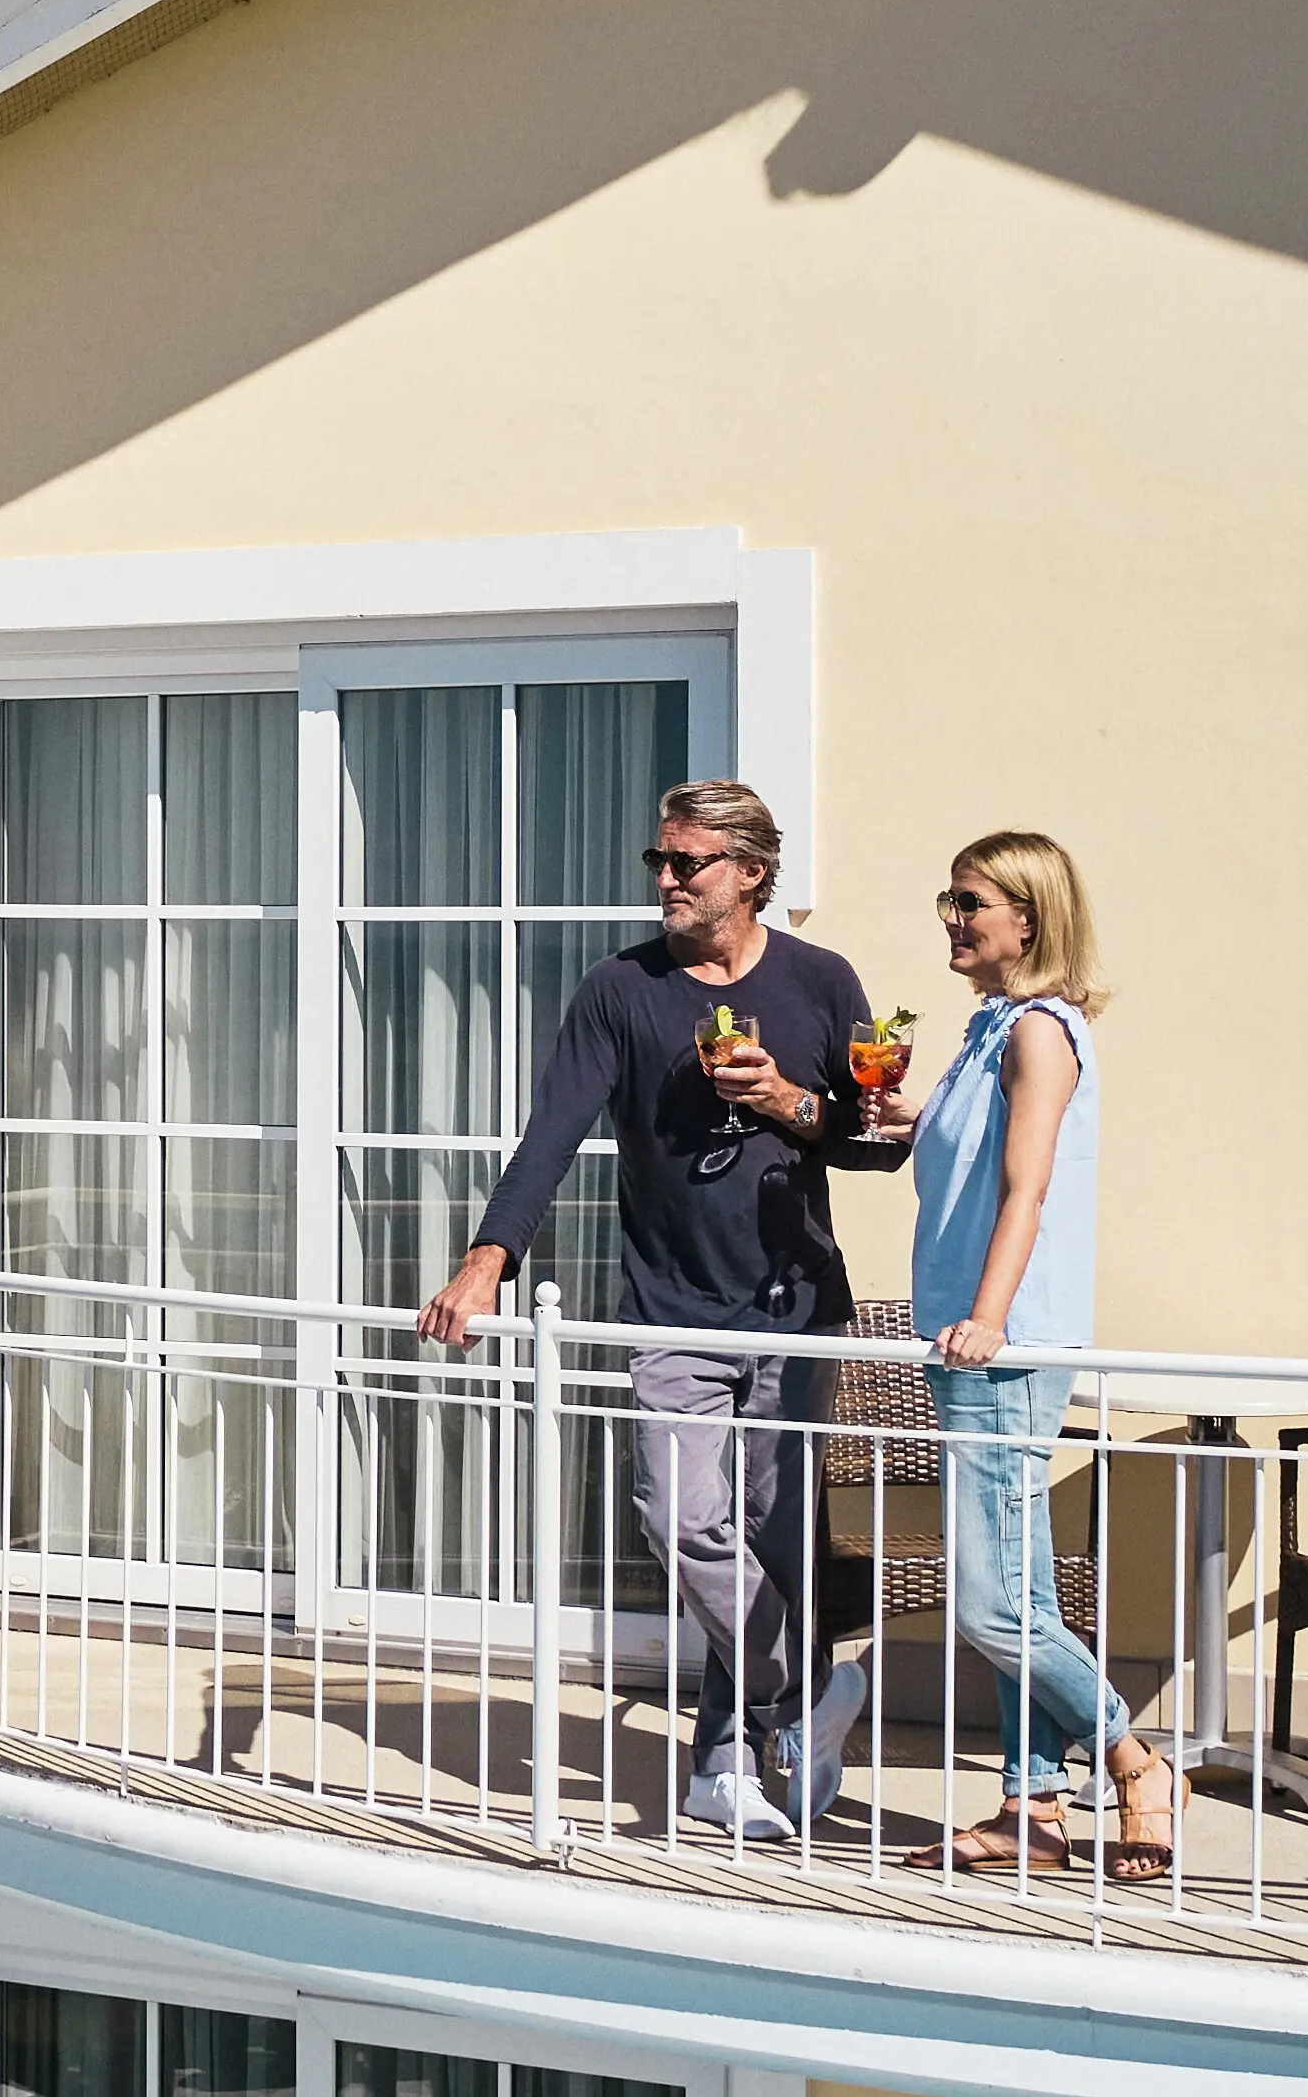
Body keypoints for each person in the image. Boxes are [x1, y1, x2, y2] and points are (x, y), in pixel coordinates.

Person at [417, 778, 902, 1844]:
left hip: (796, 1305)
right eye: (659, 861)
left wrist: (784, 1100)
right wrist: (486, 1259)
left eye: (686, 862)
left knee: (777, 1540)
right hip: (672, 1305)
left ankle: (727, 1757)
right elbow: (550, 1130)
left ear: (751, 874)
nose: (665, 879)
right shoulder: (621, 990)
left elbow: (875, 1140)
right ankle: (800, 1701)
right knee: (680, 1521)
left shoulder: (822, 982)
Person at [855, 831, 1174, 1881]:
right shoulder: (986, 1028)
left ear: (1026, 919)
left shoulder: (1040, 1028)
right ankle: (1028, 1808)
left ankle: (1134, 1758)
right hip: (970, 1333)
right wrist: (915, 1113)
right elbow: (974, 1150)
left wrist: (989, 1317)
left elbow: (1026, 1187)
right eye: (945, 898)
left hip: (999, 1341)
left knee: (992, 1604)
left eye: (969, 901)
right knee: (1021, 1597)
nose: (950, 916)